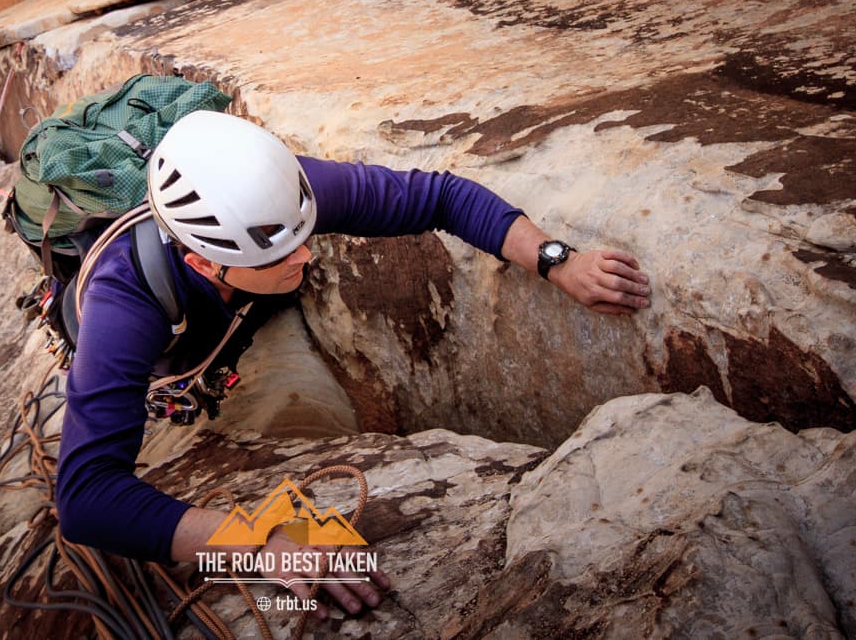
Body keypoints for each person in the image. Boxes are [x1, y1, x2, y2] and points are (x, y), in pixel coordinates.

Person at [55, 111, 650, 620]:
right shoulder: (123, 307)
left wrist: (557, 261)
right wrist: (255, 543)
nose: (308, 255)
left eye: (303, 235)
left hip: (230, 317)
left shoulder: (280, 193)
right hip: (171, 351)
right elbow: (85, 498)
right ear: (207, 266)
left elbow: (440, 195)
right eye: (281, 254)